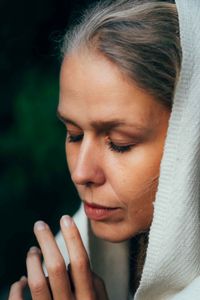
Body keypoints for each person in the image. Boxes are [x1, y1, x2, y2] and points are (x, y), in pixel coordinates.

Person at [8, 0, 200, 299]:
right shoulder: (65, 266)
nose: (81, 173)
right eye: (73, 135)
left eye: (119, 143)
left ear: (190, 140)